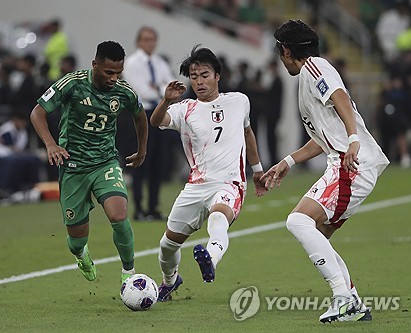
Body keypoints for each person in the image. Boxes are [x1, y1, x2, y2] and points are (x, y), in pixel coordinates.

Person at [261, 20, 390, 323]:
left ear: (286, 50)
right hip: (346, 160)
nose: (280, 57)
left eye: (280, 51)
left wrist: (354, 140)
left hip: (351, 162)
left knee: (298, 220)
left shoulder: (315, 68)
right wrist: (287, 162)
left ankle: (343, 298)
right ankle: (353, 303)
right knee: (316, 233)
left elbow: (340, 98)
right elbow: (323, 137)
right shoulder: (308, 77)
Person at [149, 45, 266, 301]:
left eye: (204, 74)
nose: (199, 81)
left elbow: (248, 133)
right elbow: (156, 122)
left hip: (229, 183)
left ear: (217, 76)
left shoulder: (239, 101)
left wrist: (257, 170)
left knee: (218, 220)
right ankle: (170, 281)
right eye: (194, 76)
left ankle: (210, 259)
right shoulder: (184, 109)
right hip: (196, 186)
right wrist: (167, 100)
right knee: (167, 246)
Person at [30, 41, 148, 286]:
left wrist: (142, 149)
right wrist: (51, 145)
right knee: (76, 239)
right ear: (95, 65)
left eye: (118, 73)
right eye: (109, 72)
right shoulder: (71, 84)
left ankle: (129, 273)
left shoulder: (124, 91)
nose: (114, 78)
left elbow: (140, 116)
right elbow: (37, 113)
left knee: (118, 215)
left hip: (105, 162)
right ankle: (81, 255)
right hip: (73, 166)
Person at [122, 26, 175, 220]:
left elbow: (173, 85)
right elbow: (142, 91)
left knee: (158, 163)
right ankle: (138, 208)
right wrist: (162, 91)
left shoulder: (159, 62)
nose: (150, 43)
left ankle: (153, 207)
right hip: (140, 114)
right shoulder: (132, 63)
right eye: (146, 39)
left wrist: (160, 89)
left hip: (159, 114)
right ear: (138, 41)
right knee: (140, 162)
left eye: (152, 39)